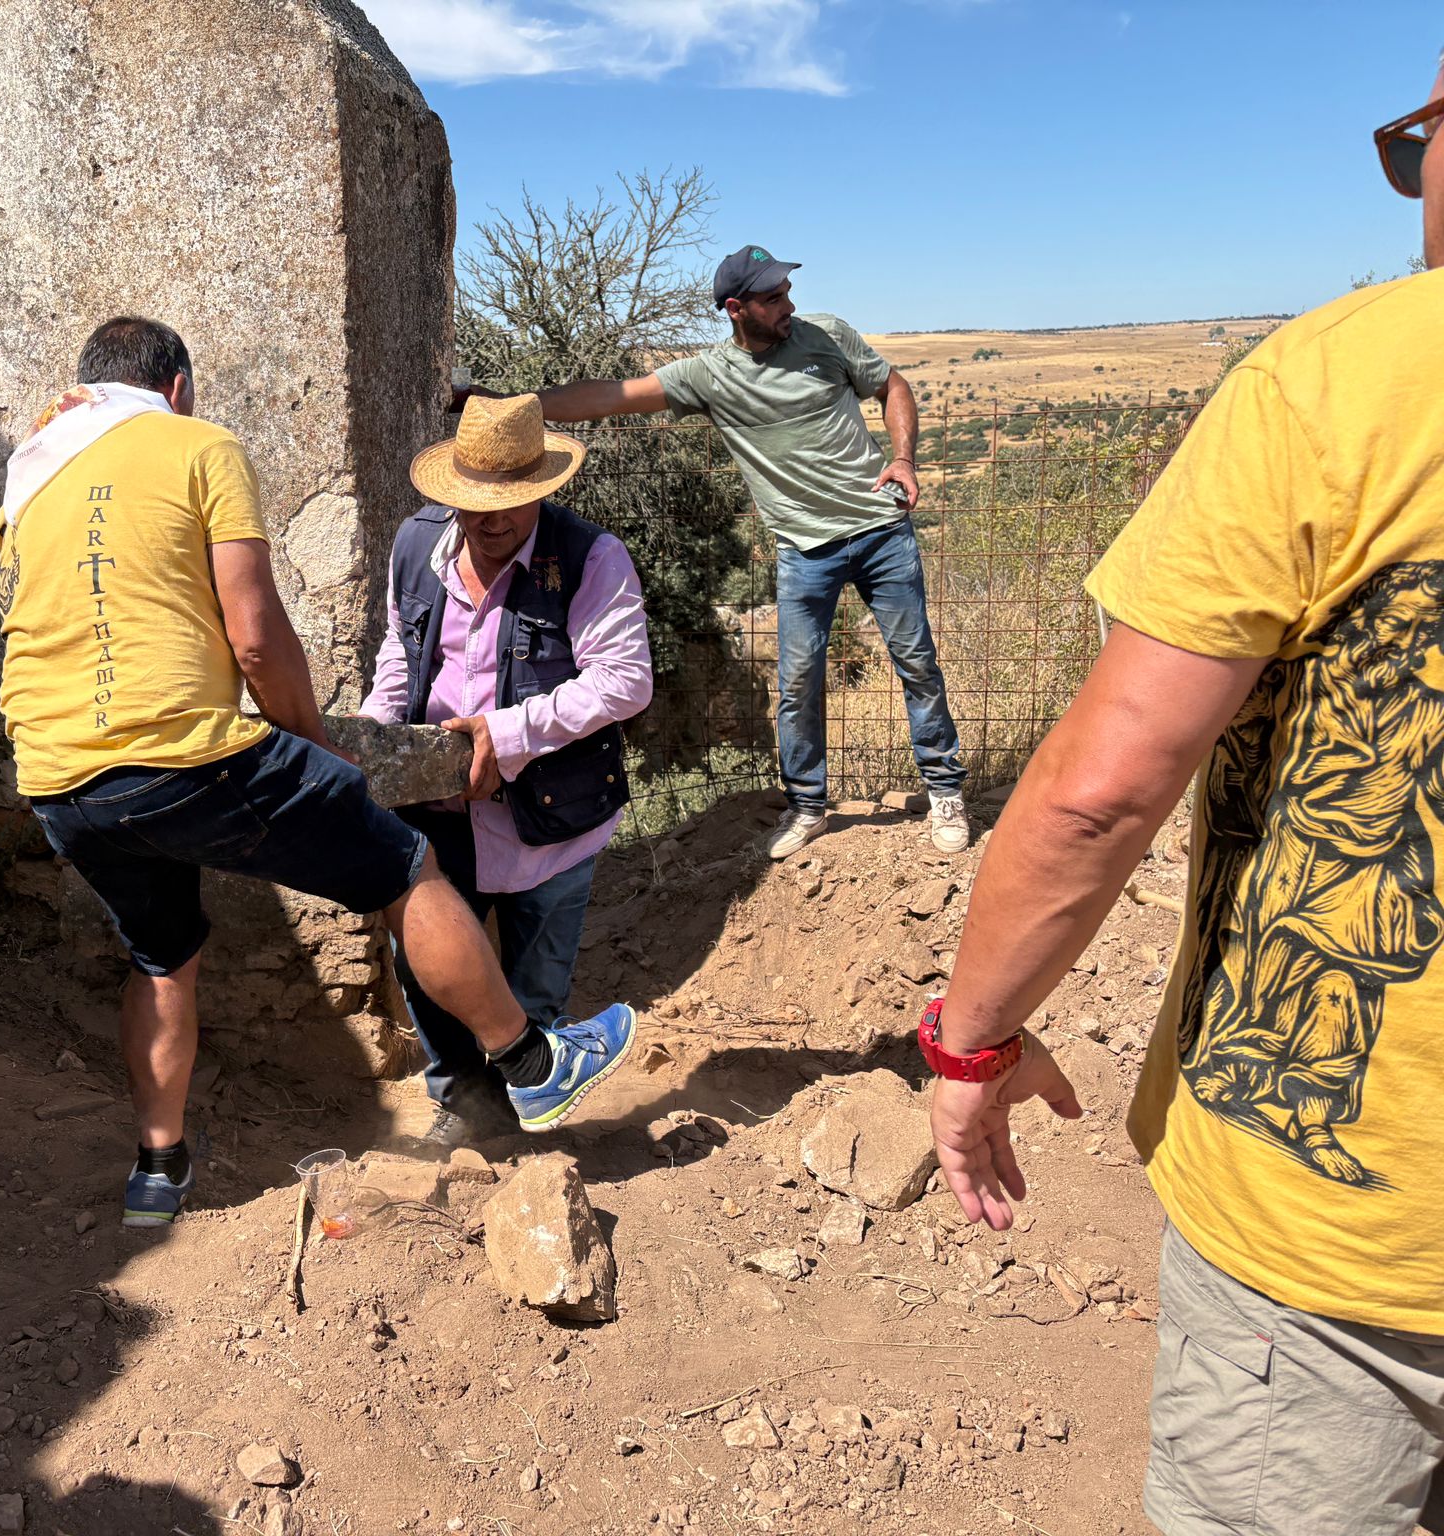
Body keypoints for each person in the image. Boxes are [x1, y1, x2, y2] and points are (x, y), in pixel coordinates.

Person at [924, 53, 1444, 1536]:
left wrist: (969, 1043)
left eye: (1412, 151)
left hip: (1351, 1238)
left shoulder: (1344, 379)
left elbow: (1100, 795)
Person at [0, 317, 638, 1226]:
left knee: (162, 959)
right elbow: (256, 637)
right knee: (405, 868)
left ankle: (157, 1172)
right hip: (184, 750)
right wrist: (314, 745)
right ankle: (536, 1064)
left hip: (58, 774)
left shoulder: (33, 474)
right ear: (176, 387)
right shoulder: (198, 446)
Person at [510, 246, 969, 859]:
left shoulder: (827, 335)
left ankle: (945, 792)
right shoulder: (711, 375)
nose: (789, 305)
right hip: (804, 550)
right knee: (798, 681)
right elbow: (611, 396)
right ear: (736, 308)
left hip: (881, 531)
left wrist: (904, 458)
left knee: (916, 663)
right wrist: (516, 405)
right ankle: (807, 807)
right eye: (773, 297)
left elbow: (893, 385)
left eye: (787, 292)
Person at [360, 393, 653, 1145]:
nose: (492, 522)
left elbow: (625, 680)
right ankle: (464, 1109)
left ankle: (530, 1121)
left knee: (534, 986)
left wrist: (507, 733)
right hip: (434, 811)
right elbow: (400, 650)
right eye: (475, 505)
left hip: (552, 824)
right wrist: (376, 734)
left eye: (511, 504)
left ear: (542, 488)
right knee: (428, 966)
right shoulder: (415, 546)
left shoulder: (590, 558)